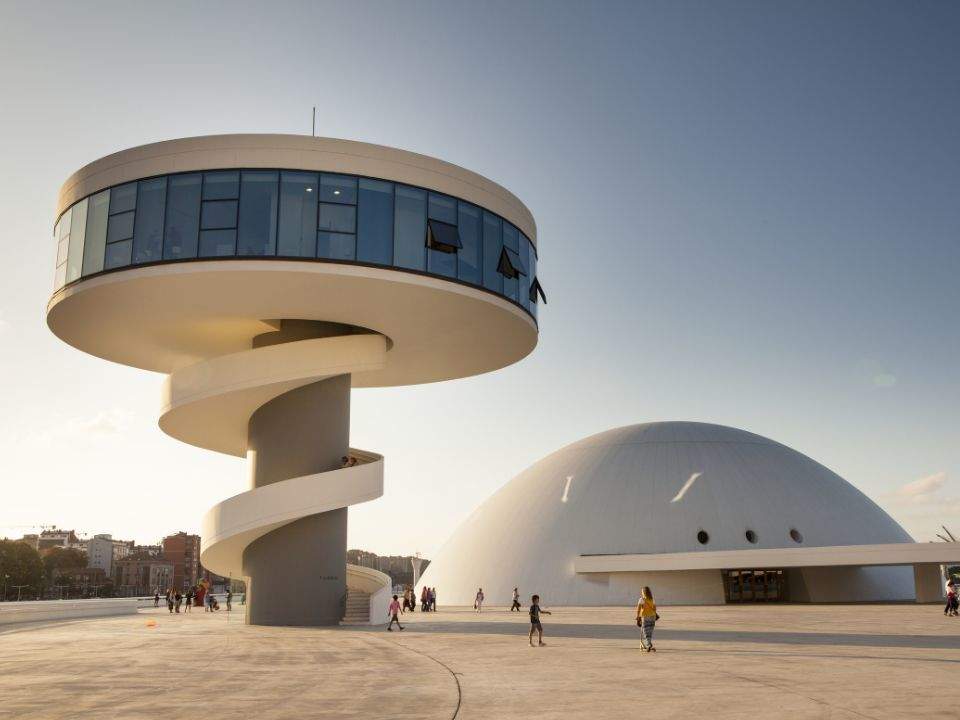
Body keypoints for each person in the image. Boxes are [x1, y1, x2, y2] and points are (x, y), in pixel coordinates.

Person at [636, 586, 658, 652]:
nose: (641, 593)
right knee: (650, 632)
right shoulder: (652, 599)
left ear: (644, 592)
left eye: (642, 591)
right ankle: (649, 644)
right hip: (653, 617)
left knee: (645, 632)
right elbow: (654, 609)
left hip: (645, 617)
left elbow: (638, 609)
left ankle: (648, 645)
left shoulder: (641, 599)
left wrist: (637, 617)